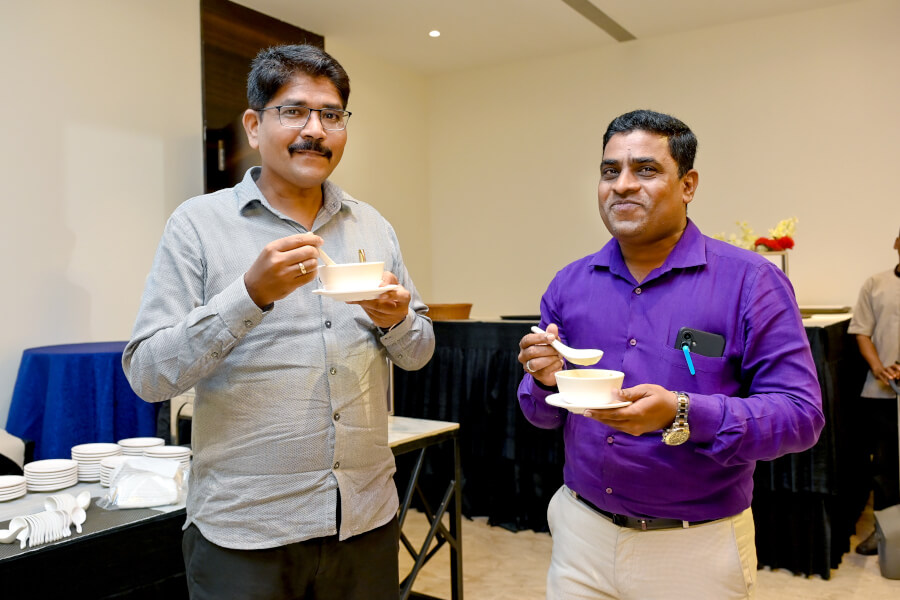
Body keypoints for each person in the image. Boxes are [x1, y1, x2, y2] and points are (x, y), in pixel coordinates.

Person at [123, 44, 434, 600]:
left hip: (364, 520)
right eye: (294, 111)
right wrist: (248, 296)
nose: (315, 129)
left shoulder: (373, 227)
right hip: (245, 532)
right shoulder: (198, 225)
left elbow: (419, 352)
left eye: (331, 114)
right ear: (254, 124)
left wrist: (396, 321)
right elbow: (148, 375)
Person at [517, 109, 824, 599]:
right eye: (610, 171)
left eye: (645, 170)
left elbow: (800, 416)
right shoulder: (569, 284)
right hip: (580, 532)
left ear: (688, 185)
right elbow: (541, 415)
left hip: (694, 547)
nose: (622, 185)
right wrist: (543, 379)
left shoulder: (751, 282)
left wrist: (682, 412)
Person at [848, 226, 900, 555]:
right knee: (885, 465)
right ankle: (884, 533)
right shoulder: (876, 284)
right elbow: (862, 331)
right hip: (883, 392)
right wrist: (879, 367)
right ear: (896, 243)